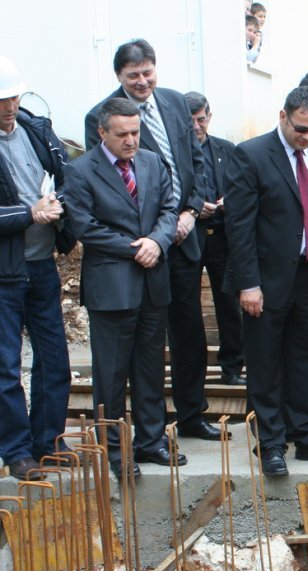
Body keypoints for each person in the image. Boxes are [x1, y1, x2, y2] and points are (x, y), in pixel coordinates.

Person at [84, 40, 225, 442]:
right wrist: (154, 235)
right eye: (133, 75)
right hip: (140, 247)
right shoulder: (103, 116)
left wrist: (190, 211)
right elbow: (107, 185)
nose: (143, 81)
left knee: (188, 331)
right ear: (119, 76)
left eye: (148, 72)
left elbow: (196, 162)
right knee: (146, 341)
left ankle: (192, 414)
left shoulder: (175, 103)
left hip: (184, 236)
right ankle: (148, 429)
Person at [224, 86, 308, 476]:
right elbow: (239, 228)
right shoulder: (251, 155)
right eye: (301, 129)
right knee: (266, 362)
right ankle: (271, 444)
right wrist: (248, 284)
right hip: (266, 280)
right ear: (283, 116)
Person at [63, 98, 180, 478]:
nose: (131, 140)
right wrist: (137, 249)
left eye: (135, 132)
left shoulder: (151, 162)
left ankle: (151, 441)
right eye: (122, 134)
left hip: (152, 283)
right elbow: (84, 226)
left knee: (150, 368)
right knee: (111, 375)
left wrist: (157, 241)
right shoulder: (81, 170)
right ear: (102, 132)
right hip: (112, 286)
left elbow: (169, 209)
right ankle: (113, 451)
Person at [0, 56, 72, 480]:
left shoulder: (35, 129)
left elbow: (65, 176)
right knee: (6, 367)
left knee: (54, 359)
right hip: (4, 273)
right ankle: (17, 451)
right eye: (1, 100)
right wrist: (29, 213)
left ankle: (49, 442)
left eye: (14, 97)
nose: (9, 106)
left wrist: (61, 203)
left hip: (42, 265)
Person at [184, 92, 246, 388]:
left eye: (201, 119)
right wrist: (195, 206)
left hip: (222, 235)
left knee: (229, 303)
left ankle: (232, 366)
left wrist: (227, 202)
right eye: (191, 122)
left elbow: (240, 185)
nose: (197, 126)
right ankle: (191, 371)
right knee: (187, 305)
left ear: (209, 116)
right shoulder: (176, 151)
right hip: (189, 235)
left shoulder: (227, 149)